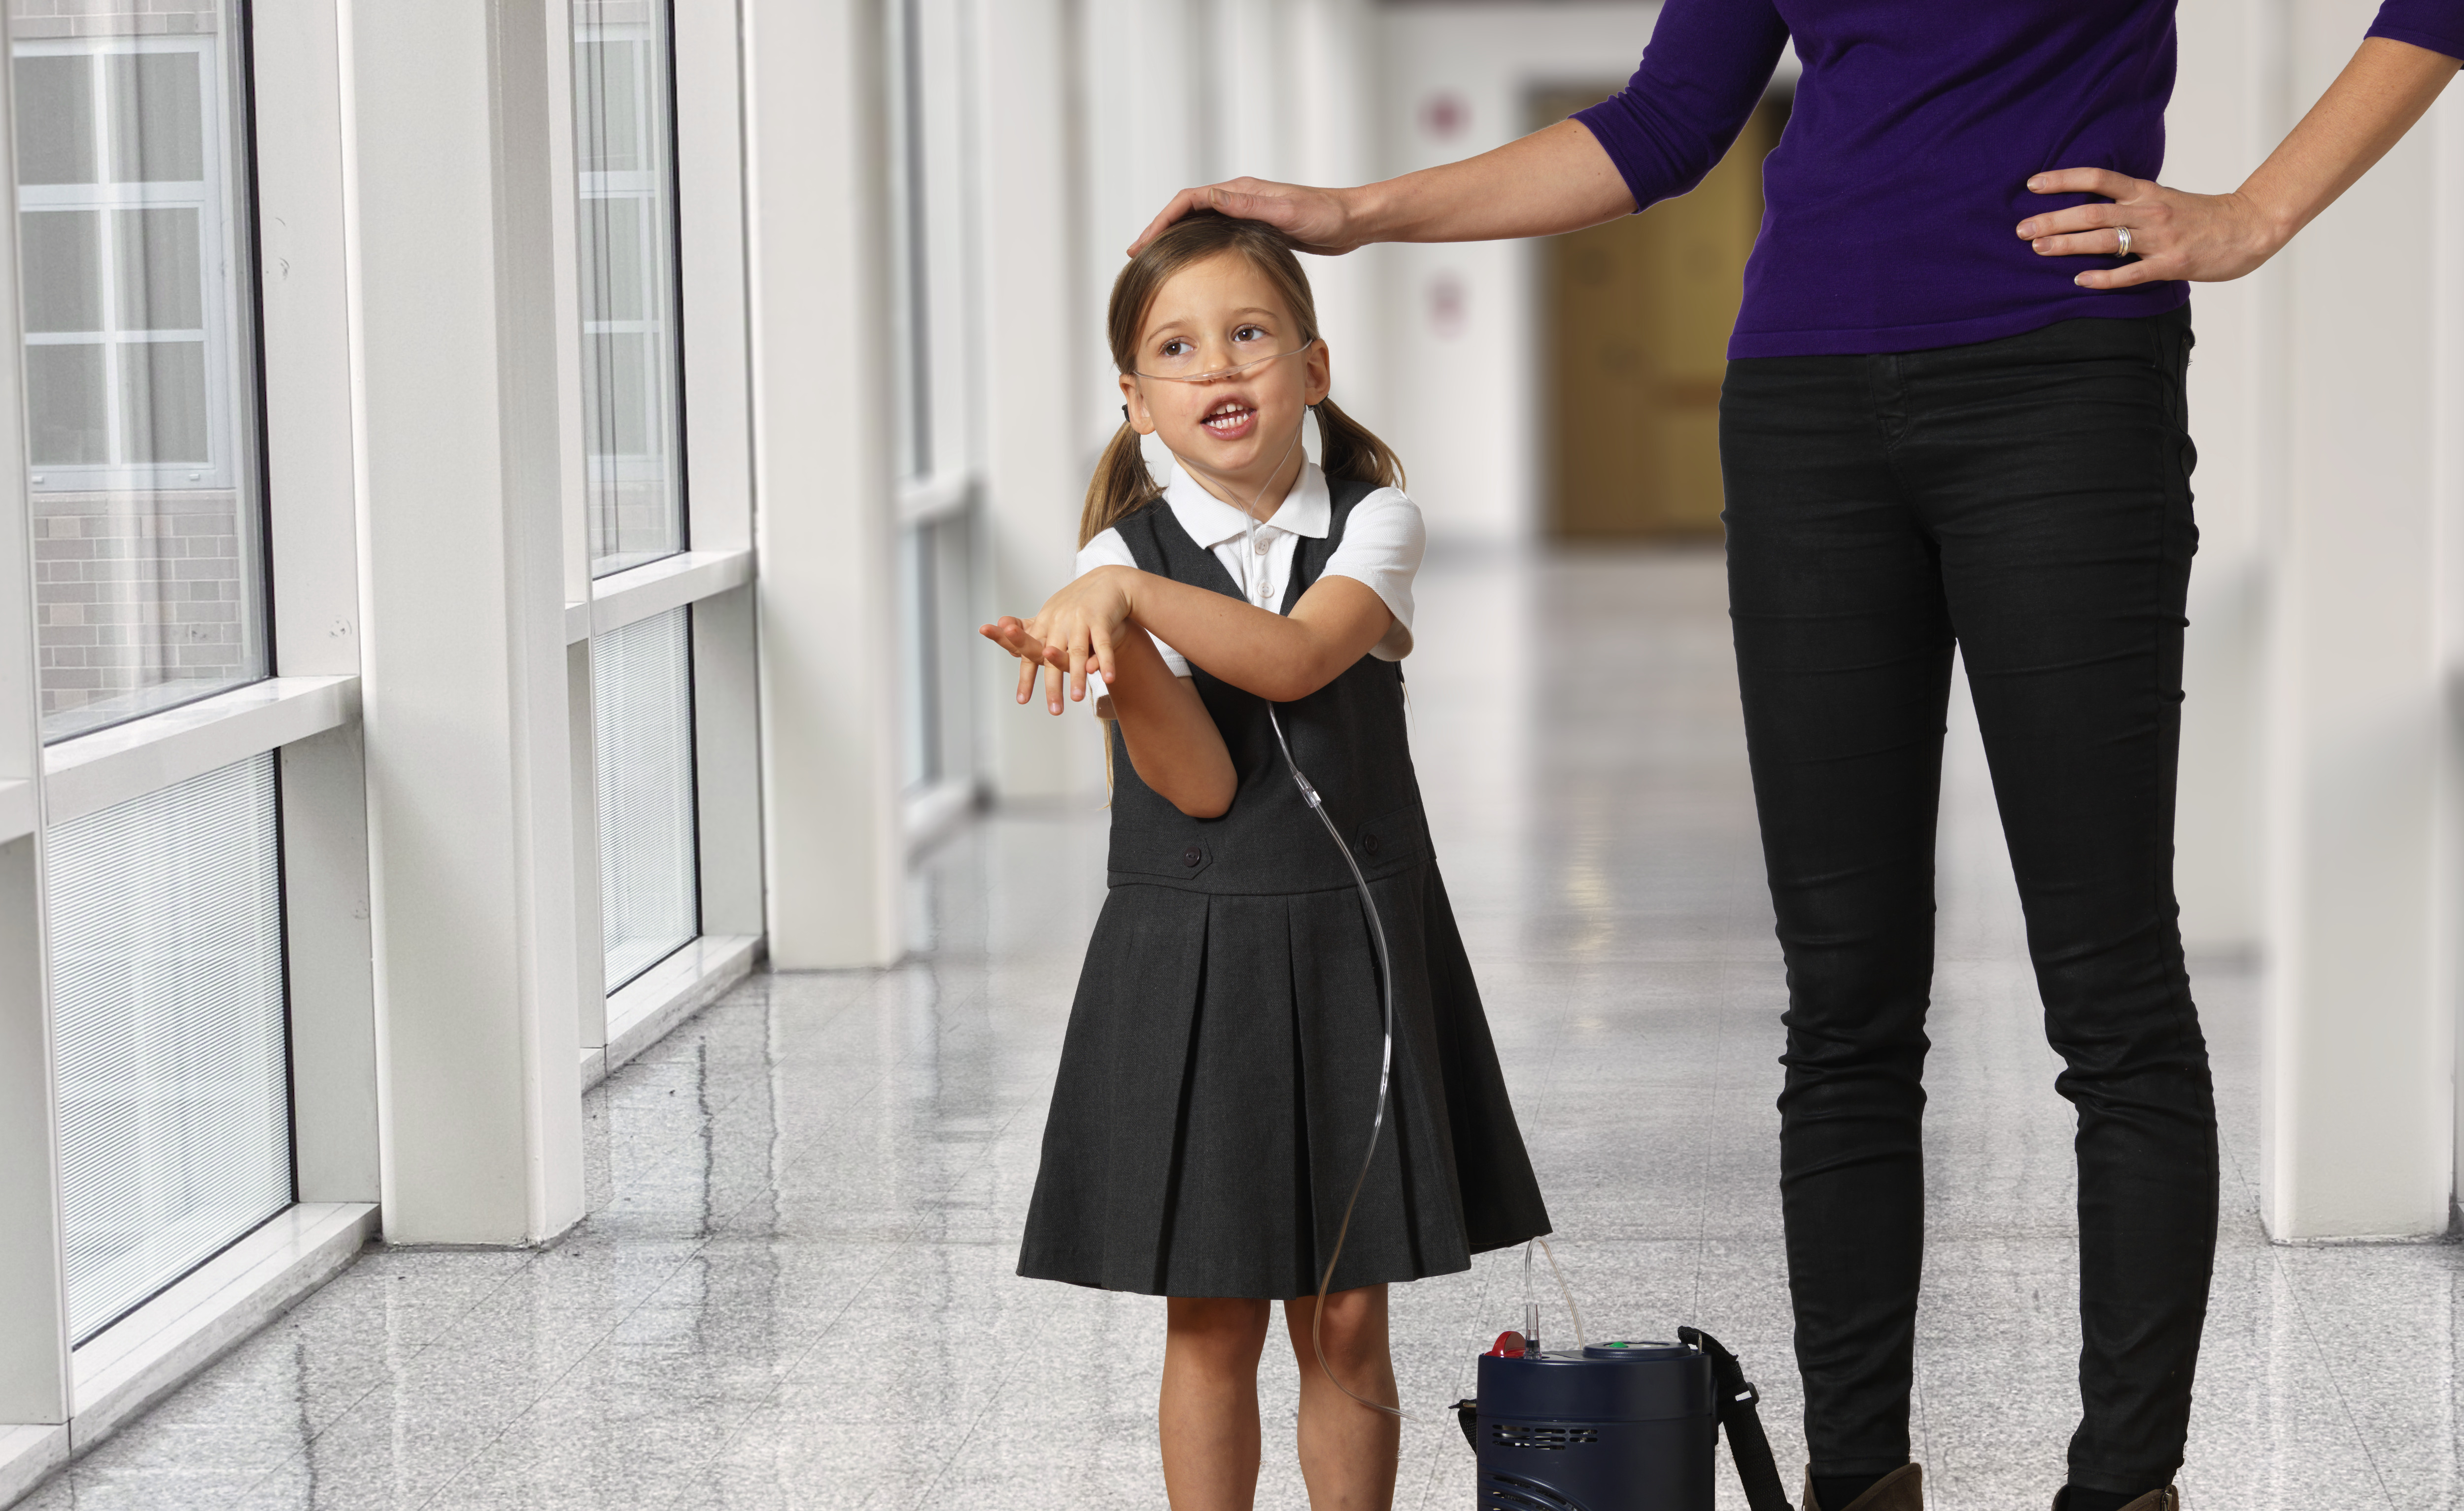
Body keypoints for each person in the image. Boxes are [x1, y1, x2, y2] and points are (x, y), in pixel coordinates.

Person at [1123, 5, 2464, 1511]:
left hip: (2064, 390)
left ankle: (2123, 1487)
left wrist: (2259, 211)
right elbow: (1664, 124)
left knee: (2112, 984)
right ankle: (1856, 1482)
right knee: (1844, 1003)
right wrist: (1359, 213)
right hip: (1805, 411)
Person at [982, 210, 1550, 1511]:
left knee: (1347, 1314)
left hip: (1354, 941)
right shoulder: (1114, 558)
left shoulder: (1374, 518)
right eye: (1179, 349)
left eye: (1251, 334)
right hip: (1197, 951)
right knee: (1216, 1310)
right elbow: (1201, 781)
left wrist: (1127, 609)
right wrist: (1118, 641)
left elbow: (1296, 659)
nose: (1221, 367)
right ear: (1135, 401)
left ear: (1315, 362)